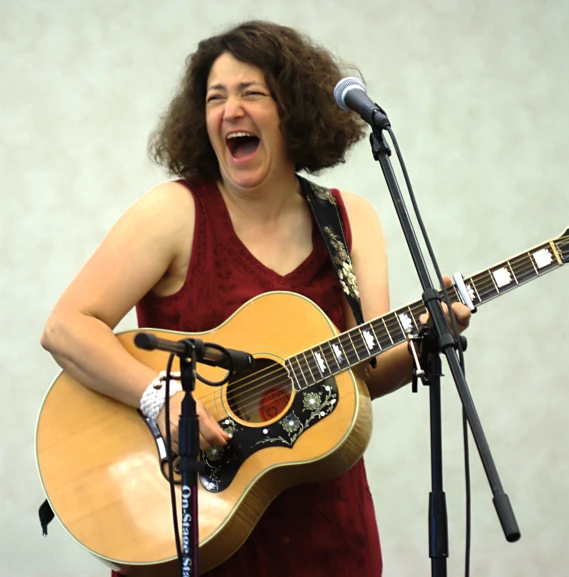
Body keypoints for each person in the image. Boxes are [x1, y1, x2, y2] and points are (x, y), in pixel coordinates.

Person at [41, 20, 471, 577]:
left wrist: (429, 335)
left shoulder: (348, 221)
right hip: (191, 518)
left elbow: (369, 370)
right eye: (216, 98)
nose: (230, 111)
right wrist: (158, 397)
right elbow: (66, 326)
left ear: (291, 111)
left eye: (251, 94)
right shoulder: (173, 214)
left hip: (327, 532)